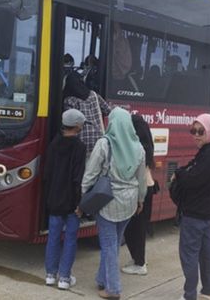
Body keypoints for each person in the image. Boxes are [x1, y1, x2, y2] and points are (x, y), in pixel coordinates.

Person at [79, 107, 146, 300]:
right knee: (114, 243)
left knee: (109, 244)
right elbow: (141, 179)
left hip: (107, 200)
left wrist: (81, 196)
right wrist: (140, 199)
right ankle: (102, 279)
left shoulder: (104, 144)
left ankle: (113, 289)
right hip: (130, 201)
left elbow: (90, 174)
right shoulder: (138, 147)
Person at [170, 114, 210, 300]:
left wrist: (177, 175)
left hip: (195, 213)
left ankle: (189, 295)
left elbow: (194, 179)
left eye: (200, 131)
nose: (196, 135)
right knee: (206, 253)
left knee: (189, 256)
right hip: (207, 213)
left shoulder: (209, 154)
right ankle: (208, 291)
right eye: (193, 131)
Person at [43, 109, 87, 290]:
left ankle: (50, 275)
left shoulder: (53, 144)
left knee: (53, 237)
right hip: (71, 201)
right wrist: (79, 203)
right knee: (70, 238)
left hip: (54, 199)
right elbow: (78, 177)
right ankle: (64, 278)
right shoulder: (80, 147)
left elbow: (47, 174)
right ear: (77, 126)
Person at [121, 114, 158, 276]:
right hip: (148, 188)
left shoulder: (138, 147)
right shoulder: (147, 145)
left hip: (141, 190)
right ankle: (137, 259)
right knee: (138, 227)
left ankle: (140, 264)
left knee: (135, 228)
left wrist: (139, 198)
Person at [63, 72, 112, 154]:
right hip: (98, 137)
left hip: (81, 139)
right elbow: (108, 111)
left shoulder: (69, 100)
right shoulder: (94, 95)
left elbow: (69, 121)